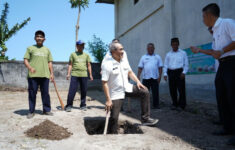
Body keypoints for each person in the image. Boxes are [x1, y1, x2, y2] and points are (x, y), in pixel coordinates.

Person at [190, 3, 235, 145]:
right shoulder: (214, 31)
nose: (202, 20)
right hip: (222, 64)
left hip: (232, 63)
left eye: (203, 16)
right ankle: (227, 127)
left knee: (233, 97)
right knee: (221, 95)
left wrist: (222, 51)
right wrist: (199, 50)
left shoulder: (227, 23)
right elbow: (214, 52)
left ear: (210, 15)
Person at [101, 42, 158, 134]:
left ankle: (145, 119)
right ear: (113, 52)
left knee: (145, 91)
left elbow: (130, 72)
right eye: (120, 49)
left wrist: (138, 82)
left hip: (127, 88)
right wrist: (108, 99)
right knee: (114, 118)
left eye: (123, 49)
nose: (123, 51)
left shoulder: (124, 61)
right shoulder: (107, 65)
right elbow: (104, 83)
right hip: (116, 93)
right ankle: (112, 134)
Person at [24, 30, 54, 119]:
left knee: (45, 93)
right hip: (33, 76)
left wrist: (51, 73)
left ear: (44, 39)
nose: (39, 38)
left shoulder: (47, 49)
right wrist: (30, 68)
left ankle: (46, 110)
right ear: (35, 38)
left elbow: (50, 62)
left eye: (41, 37)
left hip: (45, 75)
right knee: (32, 93)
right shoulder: (30, 48)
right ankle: (31, 111)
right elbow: (25, 60)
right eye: (37, 36)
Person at [65, 40, 93, 112]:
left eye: (83, 45)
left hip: (84, 75)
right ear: (77, 46)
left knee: (84, 90)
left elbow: (89, 65)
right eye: (80, 45)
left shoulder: (86, 55)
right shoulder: (73, 54)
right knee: (72, 90)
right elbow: (70, 64)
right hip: (75, 74)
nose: (82, 46)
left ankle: (83, 105)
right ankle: (69, 105)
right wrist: (68, 74)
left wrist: (90, 74)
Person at [163, 38, 189, 110]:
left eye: (176, 44)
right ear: (171, 45)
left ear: (178, 44)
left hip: (180, 72)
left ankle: (182, 105)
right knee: (172, 90)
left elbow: (186, 64)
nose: (175, 46)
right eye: (173, 44)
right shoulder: (168, 54)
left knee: (181, 89)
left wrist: (184, 72)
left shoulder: (183, 53)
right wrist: (165, 74)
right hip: (171, 72)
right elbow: (165, 65)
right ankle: (174, 104)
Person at [137, 43, 163, 109]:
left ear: (154, 49)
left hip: (155, 78)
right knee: (145, 93)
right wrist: (138, 76)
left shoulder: (157, 57)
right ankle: (145, 106)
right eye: (149, 48)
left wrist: (160, 76)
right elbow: (140, 67)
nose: (150, 49)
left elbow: (160, 67)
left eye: (152, 48)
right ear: (147, 49)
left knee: (155, 93)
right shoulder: (143, 57)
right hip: (146, 78)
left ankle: (156, 105)